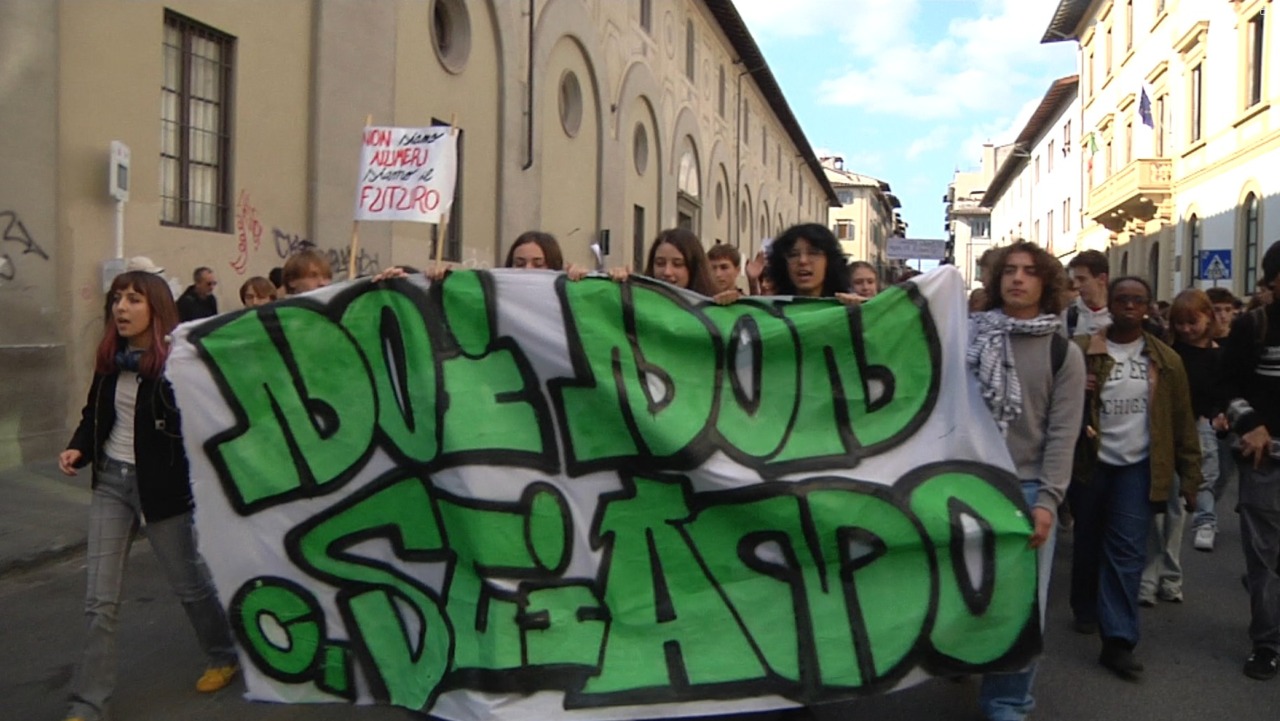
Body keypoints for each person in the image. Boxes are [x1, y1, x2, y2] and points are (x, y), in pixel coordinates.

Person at [57, 271, 238, 721]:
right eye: (117, 298)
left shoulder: (180, 365)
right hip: (111, 483)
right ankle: (88, 702)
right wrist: (79, 447)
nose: (121, 307)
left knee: (189, 586)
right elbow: (94, 413)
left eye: (134, 299)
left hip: (162, 490)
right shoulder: (110, 360)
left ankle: (222, 653)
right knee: (99, 601)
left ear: (156, 309)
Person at [968, 241, 1084, 721]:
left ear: (1046, 283)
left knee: (1020, 609)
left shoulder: (1063, 352)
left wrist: (1048, 502)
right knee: (965, 595)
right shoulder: (968, 339)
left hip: (1028, 489)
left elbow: (1062, 434)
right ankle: (963, 661)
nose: (1017, 278)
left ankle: (1007, 703)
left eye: (1030, 271)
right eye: (1009, 270)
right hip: (965, 485)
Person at [1068, 276, 1201, 681]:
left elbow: (1182, 421)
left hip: (1137, 468)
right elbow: (1054, 403)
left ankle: (1119, 640)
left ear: (1147, 307)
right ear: (1110, 304)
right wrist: (1077, 388)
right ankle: (1085, 605)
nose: (1130, 305)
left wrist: (1190, 476)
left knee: (1127, 551)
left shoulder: (1166, 360)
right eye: (1122, 299)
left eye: (1138, 300)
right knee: (1088, 541)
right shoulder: (1080, 351)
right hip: (1090, 463)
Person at [1220, 240, 1280, 680]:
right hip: (1266, 462)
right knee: (1265, 559)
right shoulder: (1253, 326)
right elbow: (1225, 387)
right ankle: (1268, 644)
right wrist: (1251, 423)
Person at [1160, 290, 1224, 555]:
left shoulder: (1218, 355)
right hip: (1173, 422)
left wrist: (1220, 413)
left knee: (1205, 473)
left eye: (1192, 322)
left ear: (1208, 317)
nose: (1186, 329)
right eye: (1180, 323)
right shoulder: (1170, 351)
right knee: (1173, 481)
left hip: (1202, 422)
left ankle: (1205, 519)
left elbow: (1221, 390)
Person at [764, 224, 861, 304]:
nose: (802, 261)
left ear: (830, 261)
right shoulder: (768, 312)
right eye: (793, 255)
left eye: (813, 253)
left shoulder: (849, 308)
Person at [1064, 250, 1111, 337]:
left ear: (1102, 279)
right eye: (1074, 280)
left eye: (1082, 279)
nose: (1076, 285)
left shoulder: (1119, 315)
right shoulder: (1067, 316)